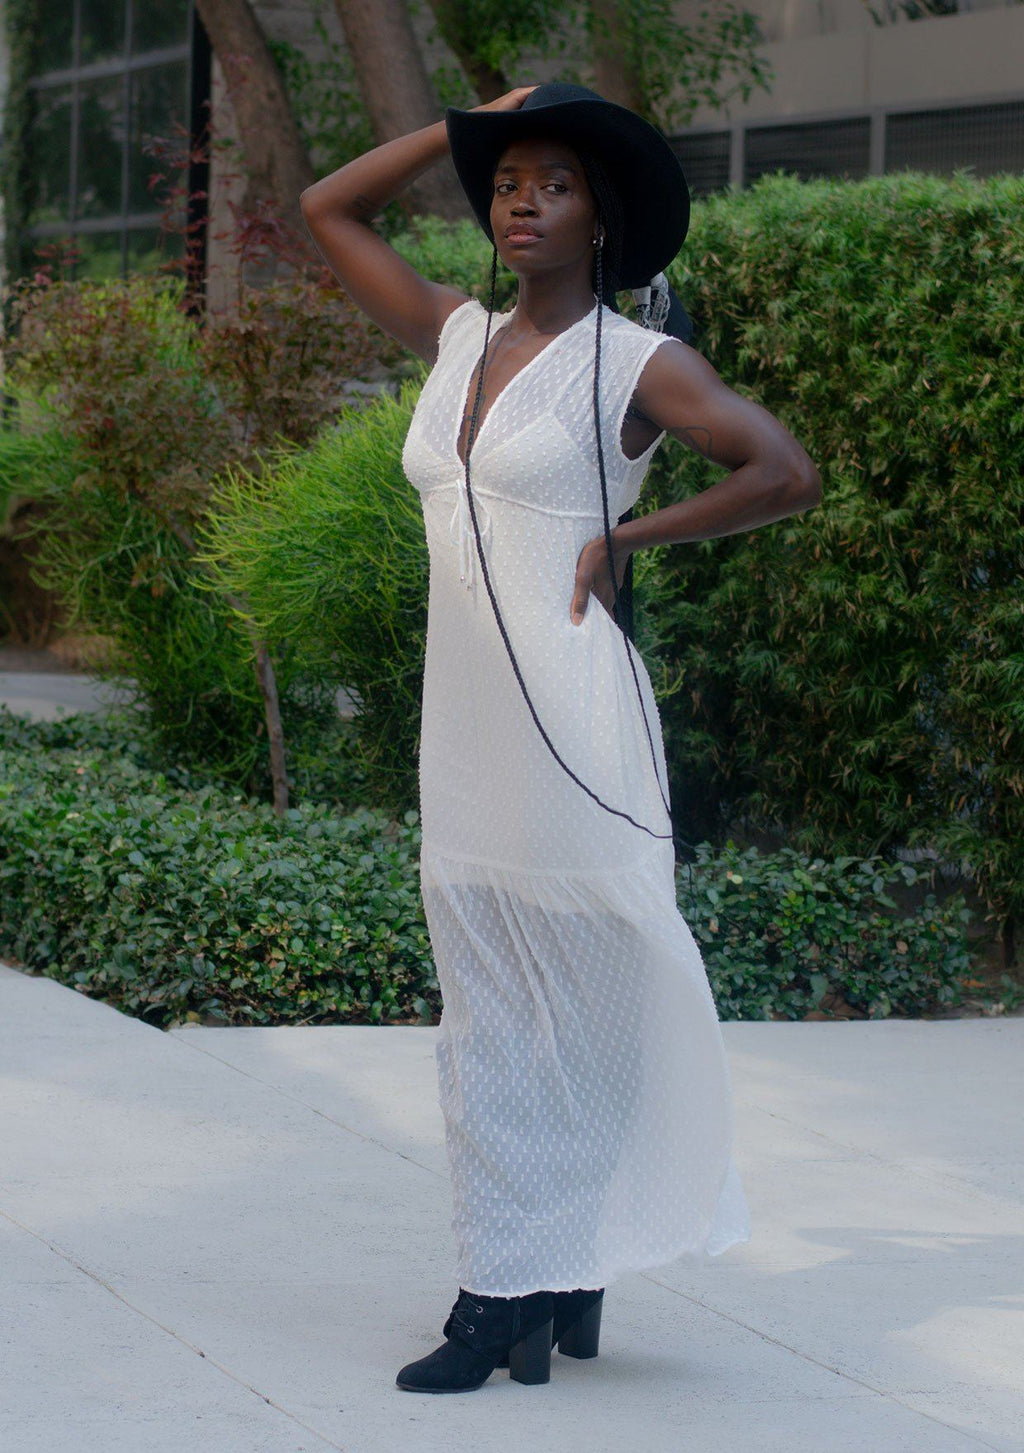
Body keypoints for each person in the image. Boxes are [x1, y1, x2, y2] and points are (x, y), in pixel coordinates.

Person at [299, 81, 822, 1396]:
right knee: (489, 1005)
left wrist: (628, 535)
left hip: (574, 719)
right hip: (467, 726)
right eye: (505, 181)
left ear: (604, 219)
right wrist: (467, 121)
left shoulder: (637, 364)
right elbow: (326, 208)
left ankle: (505, 1289)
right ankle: (559, 1265)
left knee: (573, 1002)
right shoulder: (455, 334)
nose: (521, 202)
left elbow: (783, 471)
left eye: (554, 183)